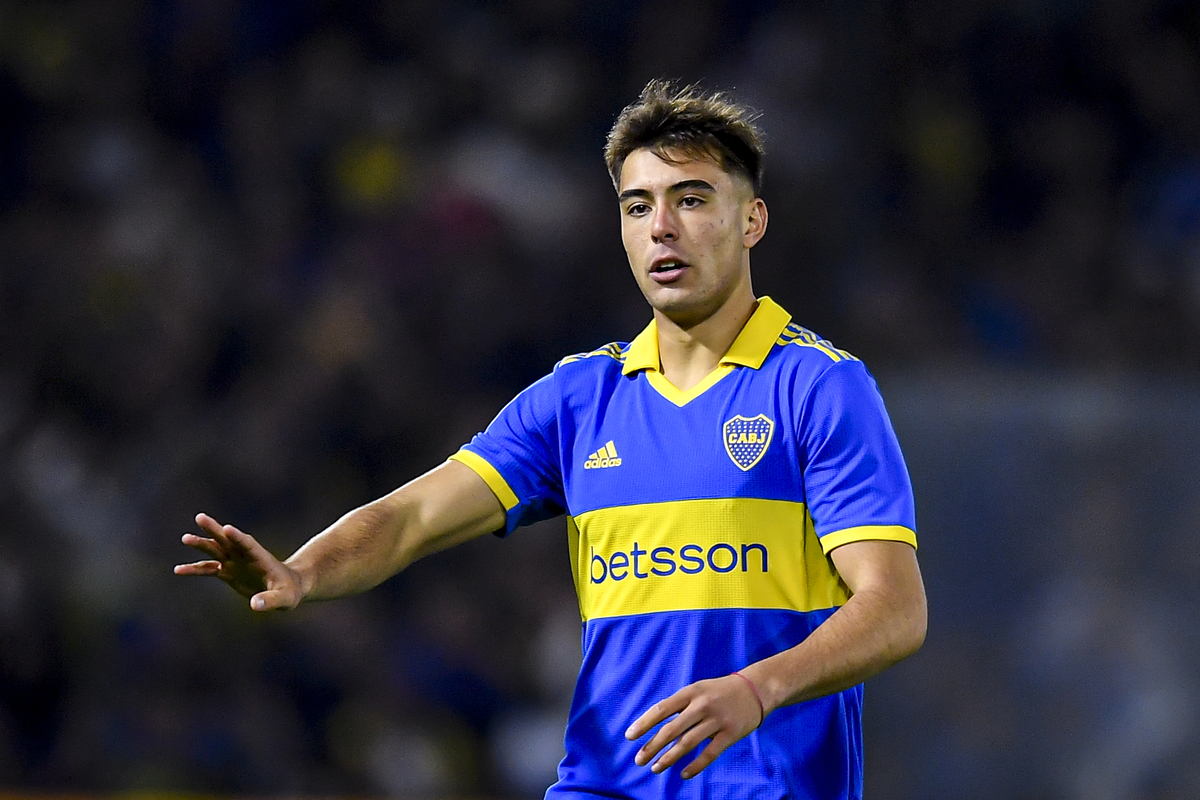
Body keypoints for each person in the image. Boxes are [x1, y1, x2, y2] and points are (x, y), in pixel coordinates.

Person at [176, 79, 927, 799]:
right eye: (638, 207)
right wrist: (304, 572)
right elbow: (412, 517)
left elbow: (894, 608)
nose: (661, 227)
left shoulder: (818, 387)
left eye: (691, 200)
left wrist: (757, 690)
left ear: (751, 221)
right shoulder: (579, 400)